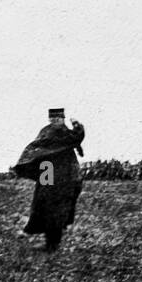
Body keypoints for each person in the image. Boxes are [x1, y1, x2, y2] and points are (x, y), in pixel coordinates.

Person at [11, 108, 86, 252]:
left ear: (63, 118)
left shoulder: (64, 133)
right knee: (44, 203)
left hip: (64, 174)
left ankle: (52, 244)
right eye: (53, 119)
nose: (55, 121)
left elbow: (77, 138)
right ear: (49, 119)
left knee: (56, 208)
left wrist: (77, 126)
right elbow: (37, 147)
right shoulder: (49, 131)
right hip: (49, 170)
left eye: (58, 118)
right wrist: (77, 125)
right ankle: (49, 242)